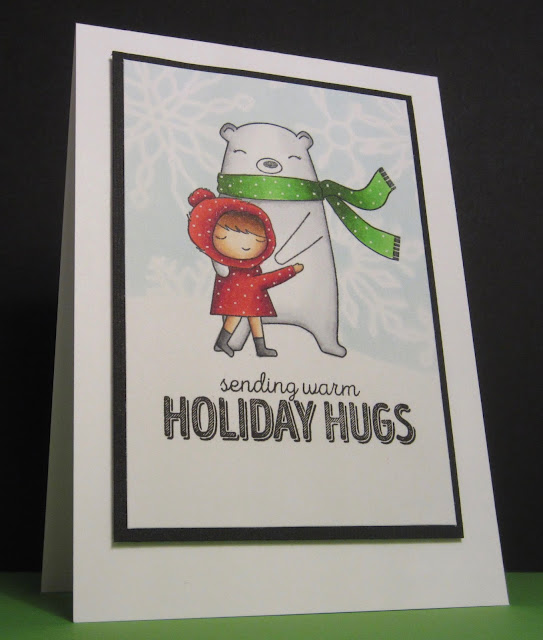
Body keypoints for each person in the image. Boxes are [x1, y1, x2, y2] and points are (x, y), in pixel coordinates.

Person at [187, 188, 303, 357]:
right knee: (237, 317)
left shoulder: (251, 268)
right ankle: (224, 342)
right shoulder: (233, 270)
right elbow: (268, 280)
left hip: (250, 297)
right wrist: (291, 270)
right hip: (240, 295)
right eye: (227, 238)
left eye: (257, 239)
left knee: (253, 319)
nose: (245, 245)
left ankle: (257, 347)